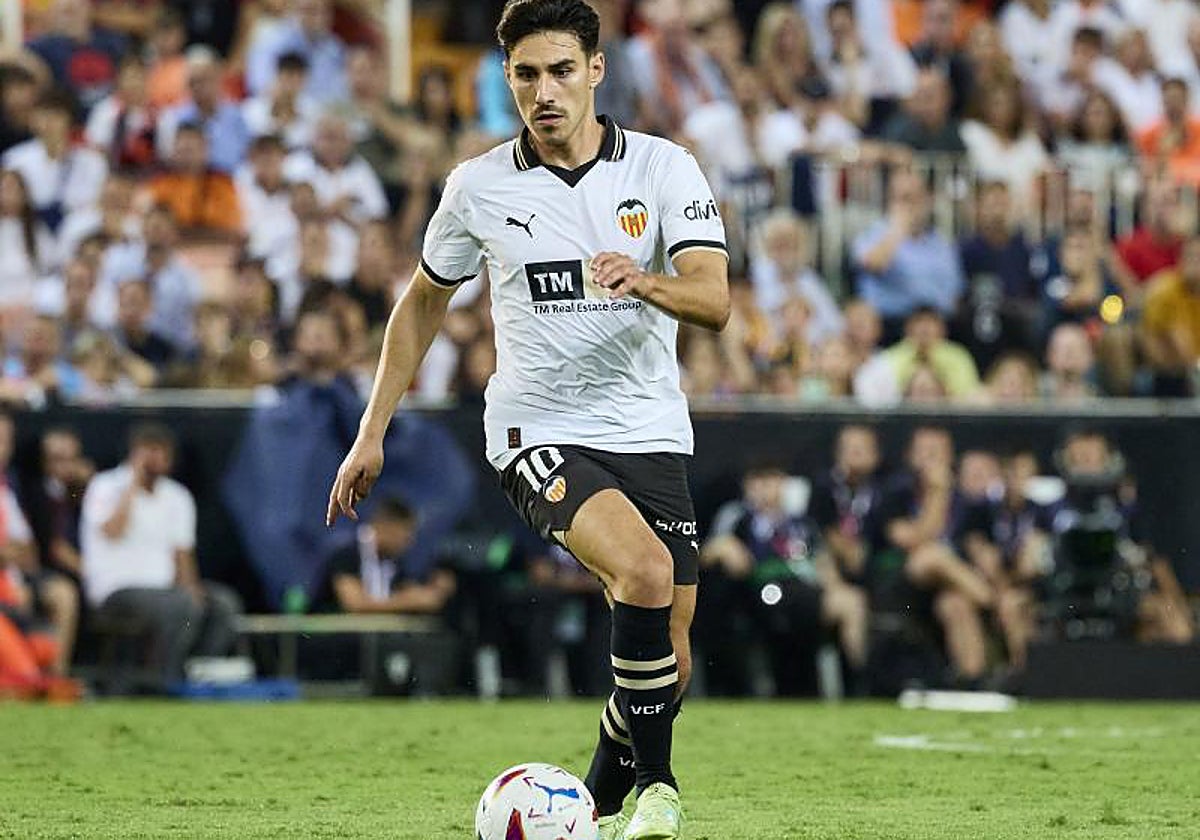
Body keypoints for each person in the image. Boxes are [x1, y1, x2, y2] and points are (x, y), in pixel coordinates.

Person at [326, 2, 730, 838]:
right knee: (645, 575)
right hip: (535, 430)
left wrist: (645, 278)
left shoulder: (662, 168)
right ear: (507, 79)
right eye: (525, 75)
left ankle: (589, 803)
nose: (543, 92)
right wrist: (372, 432)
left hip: (648, 428)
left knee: (669, 661)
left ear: (595, 70)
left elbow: (715, 300)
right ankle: (660, 791)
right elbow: (421, 305)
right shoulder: (476, 187)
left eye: (558, 71)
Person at [80, 423, 241, 685]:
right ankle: (163, 680)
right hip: (116, 589)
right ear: (133, 454)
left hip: (165, 590)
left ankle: (195, 678)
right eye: (148, 453)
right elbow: (112, 530)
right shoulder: (105, 485)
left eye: (161, 454)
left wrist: (192, 588)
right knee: (180, 604)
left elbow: (182, 553)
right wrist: (132, 485)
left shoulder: (177, 496)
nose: (154, 461)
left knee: (223, 604)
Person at [316, 496, 455, 615]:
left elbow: (407, 590)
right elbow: (355, 604)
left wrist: (432, 592)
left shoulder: (395, 560)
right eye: (405, 535)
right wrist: (410, 601)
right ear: (386, 527)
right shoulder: (346, 553)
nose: (409, 542)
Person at [1141, 233, 1200, 396]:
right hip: (1168, 374)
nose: (1194, 263)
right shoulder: (1164, 290)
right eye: (1190, 256)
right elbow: (1169, 347)